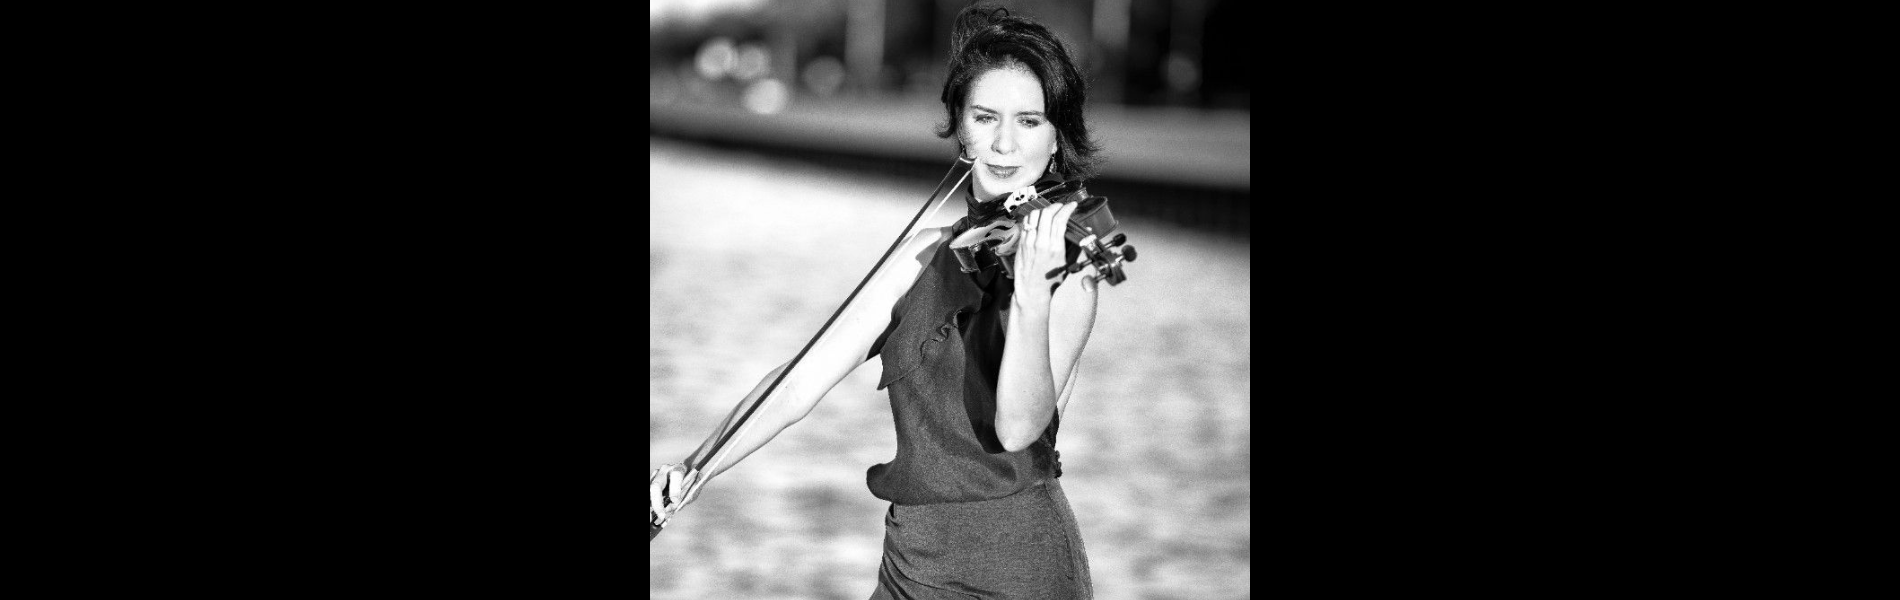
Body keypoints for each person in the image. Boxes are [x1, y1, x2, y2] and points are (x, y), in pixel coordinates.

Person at [652, 5, 1105, 598]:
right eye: (985, 117)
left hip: (1016, 564)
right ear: (960, 127)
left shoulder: (1070, 267)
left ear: (1055, 141)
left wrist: (1032, 298)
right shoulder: (921, 254)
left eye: (1028, 121)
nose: (1003, 142)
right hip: (909, 561)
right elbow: (797, 382)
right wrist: (698, 467)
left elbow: (1018, 427)